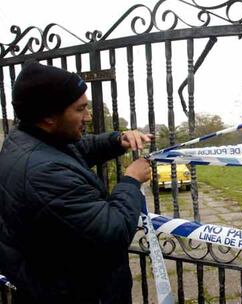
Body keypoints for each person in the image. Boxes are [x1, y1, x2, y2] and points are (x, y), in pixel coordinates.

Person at [0, 62, 152, 303]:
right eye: (80, 109)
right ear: (49, 117)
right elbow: (113, 231)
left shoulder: (28, 138)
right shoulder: (44, 174)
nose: (89, 116)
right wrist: (131, 180)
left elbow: (80, 147)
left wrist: (117, 140)